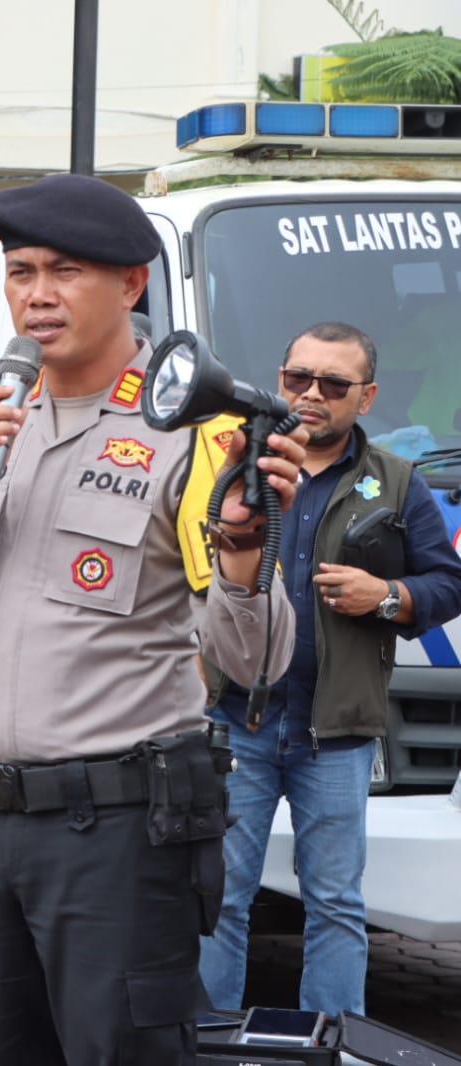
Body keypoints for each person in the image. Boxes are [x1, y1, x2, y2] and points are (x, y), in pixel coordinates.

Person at [0, 174, 308, 1064]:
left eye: (64, 272)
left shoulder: (199, 434)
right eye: (20, 270)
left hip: (115, 832)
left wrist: (238, 554)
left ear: (131, 286)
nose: (36, 295)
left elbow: (254, 662)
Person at [199, 321, 461, 1017]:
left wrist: (390, 598)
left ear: (365, 397)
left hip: (335, 733)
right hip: (236, 722)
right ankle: (202, 1042)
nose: (310, 395)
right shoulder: (240, 464)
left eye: (332, 384)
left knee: (337, 905)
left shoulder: (397, 482)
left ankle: (331, 1043)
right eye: (296, 379)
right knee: (216, 898)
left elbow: (448, 583)